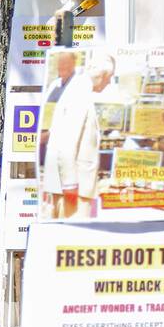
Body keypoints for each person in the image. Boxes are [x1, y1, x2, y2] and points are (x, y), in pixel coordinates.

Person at [41, 55, 114, 218]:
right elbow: (67, 142)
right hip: (76, 185)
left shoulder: (76, 88)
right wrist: (70, 183)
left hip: (67, 182)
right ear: (101, 76)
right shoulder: (81, 93)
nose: (109, 83)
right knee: (72, 233)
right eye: (109, 78)